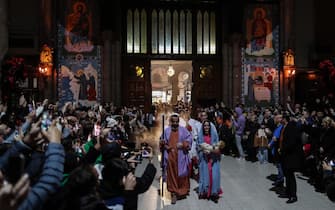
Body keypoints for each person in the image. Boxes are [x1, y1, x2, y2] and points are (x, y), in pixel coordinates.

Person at [160, 113, 192, 204]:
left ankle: (182, 191)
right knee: (172, 175)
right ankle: (173, 193)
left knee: (182, 174)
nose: (175, 123)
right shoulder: (166, 131)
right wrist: (164, 145)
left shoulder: (183, 130)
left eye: (176, 122)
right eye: (173, 122)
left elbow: (189, 139)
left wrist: (183, 144)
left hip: (181, 156)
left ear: (178, 122)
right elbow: (162, 142)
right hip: (170, 156)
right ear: (170, 122)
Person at [278, 114, 304, 204]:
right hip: (285, 154)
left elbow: (291, 142)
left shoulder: (291, 127)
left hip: (290, 155)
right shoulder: (284, 127)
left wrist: (283, 149)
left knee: (290, 176)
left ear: (285, 119)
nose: (278, 119)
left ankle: (293, 195)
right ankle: (288, 192)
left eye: (280, 118)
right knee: (286, 174)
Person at [198, 119, 223, 203]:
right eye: (205, 125)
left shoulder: (214, 135)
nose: (206, 127)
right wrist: (202, 150)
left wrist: (214, 151)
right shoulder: (200, 136)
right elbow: (198, 146)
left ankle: (214, 192)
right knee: (205, 175)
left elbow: (217, 146)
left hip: (213, 159)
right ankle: (205, 191)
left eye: (208, 125)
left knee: (214, 175)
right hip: (204, 159)